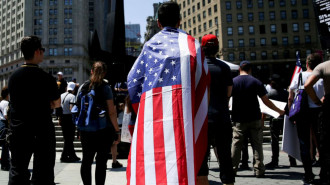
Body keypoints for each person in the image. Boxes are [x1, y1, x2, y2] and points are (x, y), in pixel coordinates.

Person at [126, 2, 209, 184]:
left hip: (154, 120)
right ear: (180, 21)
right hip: (184, 118)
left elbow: (132, 81)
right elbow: (203, 85)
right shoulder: (193, 45)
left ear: (158, 23)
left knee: (156, 170)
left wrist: (139, 109)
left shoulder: (149, 46)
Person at [8, 35, 61, 185]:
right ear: (37, 51)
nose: (43, 53)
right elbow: (57, 104)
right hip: (42, 131)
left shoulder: (13, 77)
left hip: (19, 130)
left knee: (17, 171)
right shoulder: (47, 78)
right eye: (42, 50)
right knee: (43, 173)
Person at [231, 61, 285, 178]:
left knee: (236, 144)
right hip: (254, 117)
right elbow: (266, 100)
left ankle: (232, 169)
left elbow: (226, 97)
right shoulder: (256, 82)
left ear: (240, 69)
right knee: (257, 145)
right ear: (250, 69)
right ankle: (259, 169)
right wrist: (278, 110)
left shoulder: (233, 82)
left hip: (239, 118)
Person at [77, 61, 120, 185]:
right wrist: (117, 131)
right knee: (101, 161)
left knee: (86, 160)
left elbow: (78, 109)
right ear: (105, 73)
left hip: (86, 130)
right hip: (103, 130)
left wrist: (79, 129)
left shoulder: (83, 87)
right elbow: (112, 112)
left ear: (91, 71)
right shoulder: (106, 88)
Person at [201, 34, 235, 185]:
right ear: (217, 48)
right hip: (222, 117)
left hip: (202, 119)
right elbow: (229, 92)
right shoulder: (225, 67)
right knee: (225, 155)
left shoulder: (198, 67)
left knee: (202, 157)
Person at [304, 56, 329, 185]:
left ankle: (324, 173)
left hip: (323, 107)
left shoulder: (323, 67)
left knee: (324, 141)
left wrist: (317, 101)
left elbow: (307, 85)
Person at [264, 74, 296, 169]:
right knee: (288, 140)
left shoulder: (270, 94)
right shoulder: (286, 93)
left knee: (274, 141)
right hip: (285, 119)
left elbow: (265, 108)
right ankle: (292, 160)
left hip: (274, 119)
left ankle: (275, 160)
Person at [60, 82, 80, 163]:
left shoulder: (61, 95)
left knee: (67, 138)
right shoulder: (72, 96)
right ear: (74, 89)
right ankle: (64, 156)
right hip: (69, 118)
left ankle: (73, 155)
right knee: (69, 138)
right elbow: (72, 108)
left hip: (63, 117)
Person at [0, 86, 10, 171]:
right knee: (5, 145)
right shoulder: (6, 103)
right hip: (4, 124)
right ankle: (5, 164)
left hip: (1, 124)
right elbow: (6, 115)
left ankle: (4, 163)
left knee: (4, 145)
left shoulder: (1, 102)